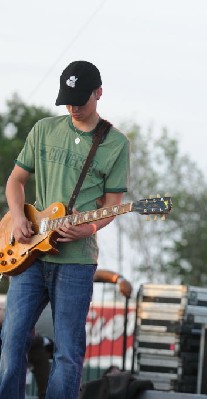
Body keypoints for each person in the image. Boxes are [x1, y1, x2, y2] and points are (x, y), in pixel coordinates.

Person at [0, 60, 129, 399]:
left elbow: (112, 205)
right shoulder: (44, 128)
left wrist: (89, 229)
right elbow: (15, 181)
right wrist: (18, 216)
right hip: (29, 253)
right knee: (11, 341)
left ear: (98, 93)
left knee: (68, 352)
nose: (73, 106)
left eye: (80, 99)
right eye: (67, 99)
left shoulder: (115, 143)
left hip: (76, 262)